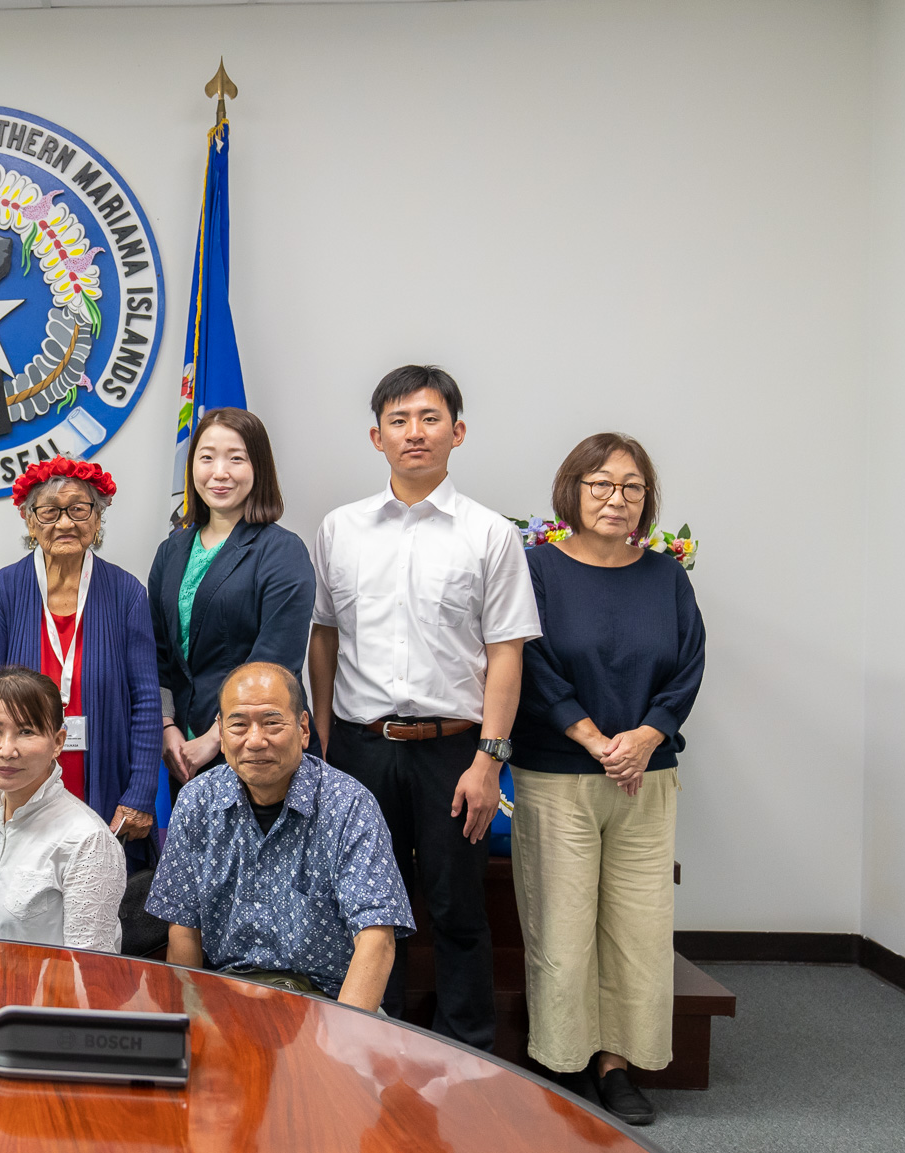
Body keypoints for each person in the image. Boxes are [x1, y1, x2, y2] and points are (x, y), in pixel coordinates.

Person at [307, 364, 542, 1050]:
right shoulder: (340, 529)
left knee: (457, 906)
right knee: (368, 905)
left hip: (454, 750)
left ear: (457, 431)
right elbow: (324, 634)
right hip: (359, 746)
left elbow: (506, 652)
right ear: (376, 435)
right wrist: (323, 736)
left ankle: (466, 1053)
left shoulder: (489, 533)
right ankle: (377, 1042)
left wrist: (489, 760)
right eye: (400, 420)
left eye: (430, 418)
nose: (416, 432)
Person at [513, 433, 705, 1126]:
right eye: (600, 484)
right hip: (559, 772)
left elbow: (688, 664)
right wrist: (593, 737)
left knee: (638, 929)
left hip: (645, 778)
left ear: (646, 500)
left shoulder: (665, 576)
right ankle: (561, 1062)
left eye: (631, 486)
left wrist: (647, 735)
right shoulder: (536, 568)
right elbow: (528, 664)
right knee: (561, 929)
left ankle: (617, 1064)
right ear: (572, 491)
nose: (616, 498)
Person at [145, 663, 413, 1010]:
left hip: (329, 1004)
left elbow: (377, 940)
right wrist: (187, 1025)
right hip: (224, 999)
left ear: (303, 729)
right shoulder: (196, 803)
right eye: (239, 724)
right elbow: (184, 931)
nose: (255, 741)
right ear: (222, 734)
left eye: (272, 722)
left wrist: (344, 1042)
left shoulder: (348, 805)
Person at [0, 456, 160, 866]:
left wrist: (140, 794)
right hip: (20, 785)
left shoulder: (127, 593)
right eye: (50, 511)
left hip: (106, 786)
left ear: (98, 518)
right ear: (30, 521)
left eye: (79, 509)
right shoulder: (1, 593)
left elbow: (146, 701)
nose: (66, 522)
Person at [147, 408, 315, 786]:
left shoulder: (282, 551)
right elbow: (156, 650)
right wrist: (167, 725)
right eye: (206, 457)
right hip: (183, 753)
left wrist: (215, 739)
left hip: (260, 749)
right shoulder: (171, 552)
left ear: (258, 467)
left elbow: (276, 660)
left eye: (235, 458)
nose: (219, 472)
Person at [0, 667, 126, 951]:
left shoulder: (87, 841)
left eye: (26, 731)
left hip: (45, 995)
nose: (6, 750)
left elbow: (91, 969)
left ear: (57, 743)